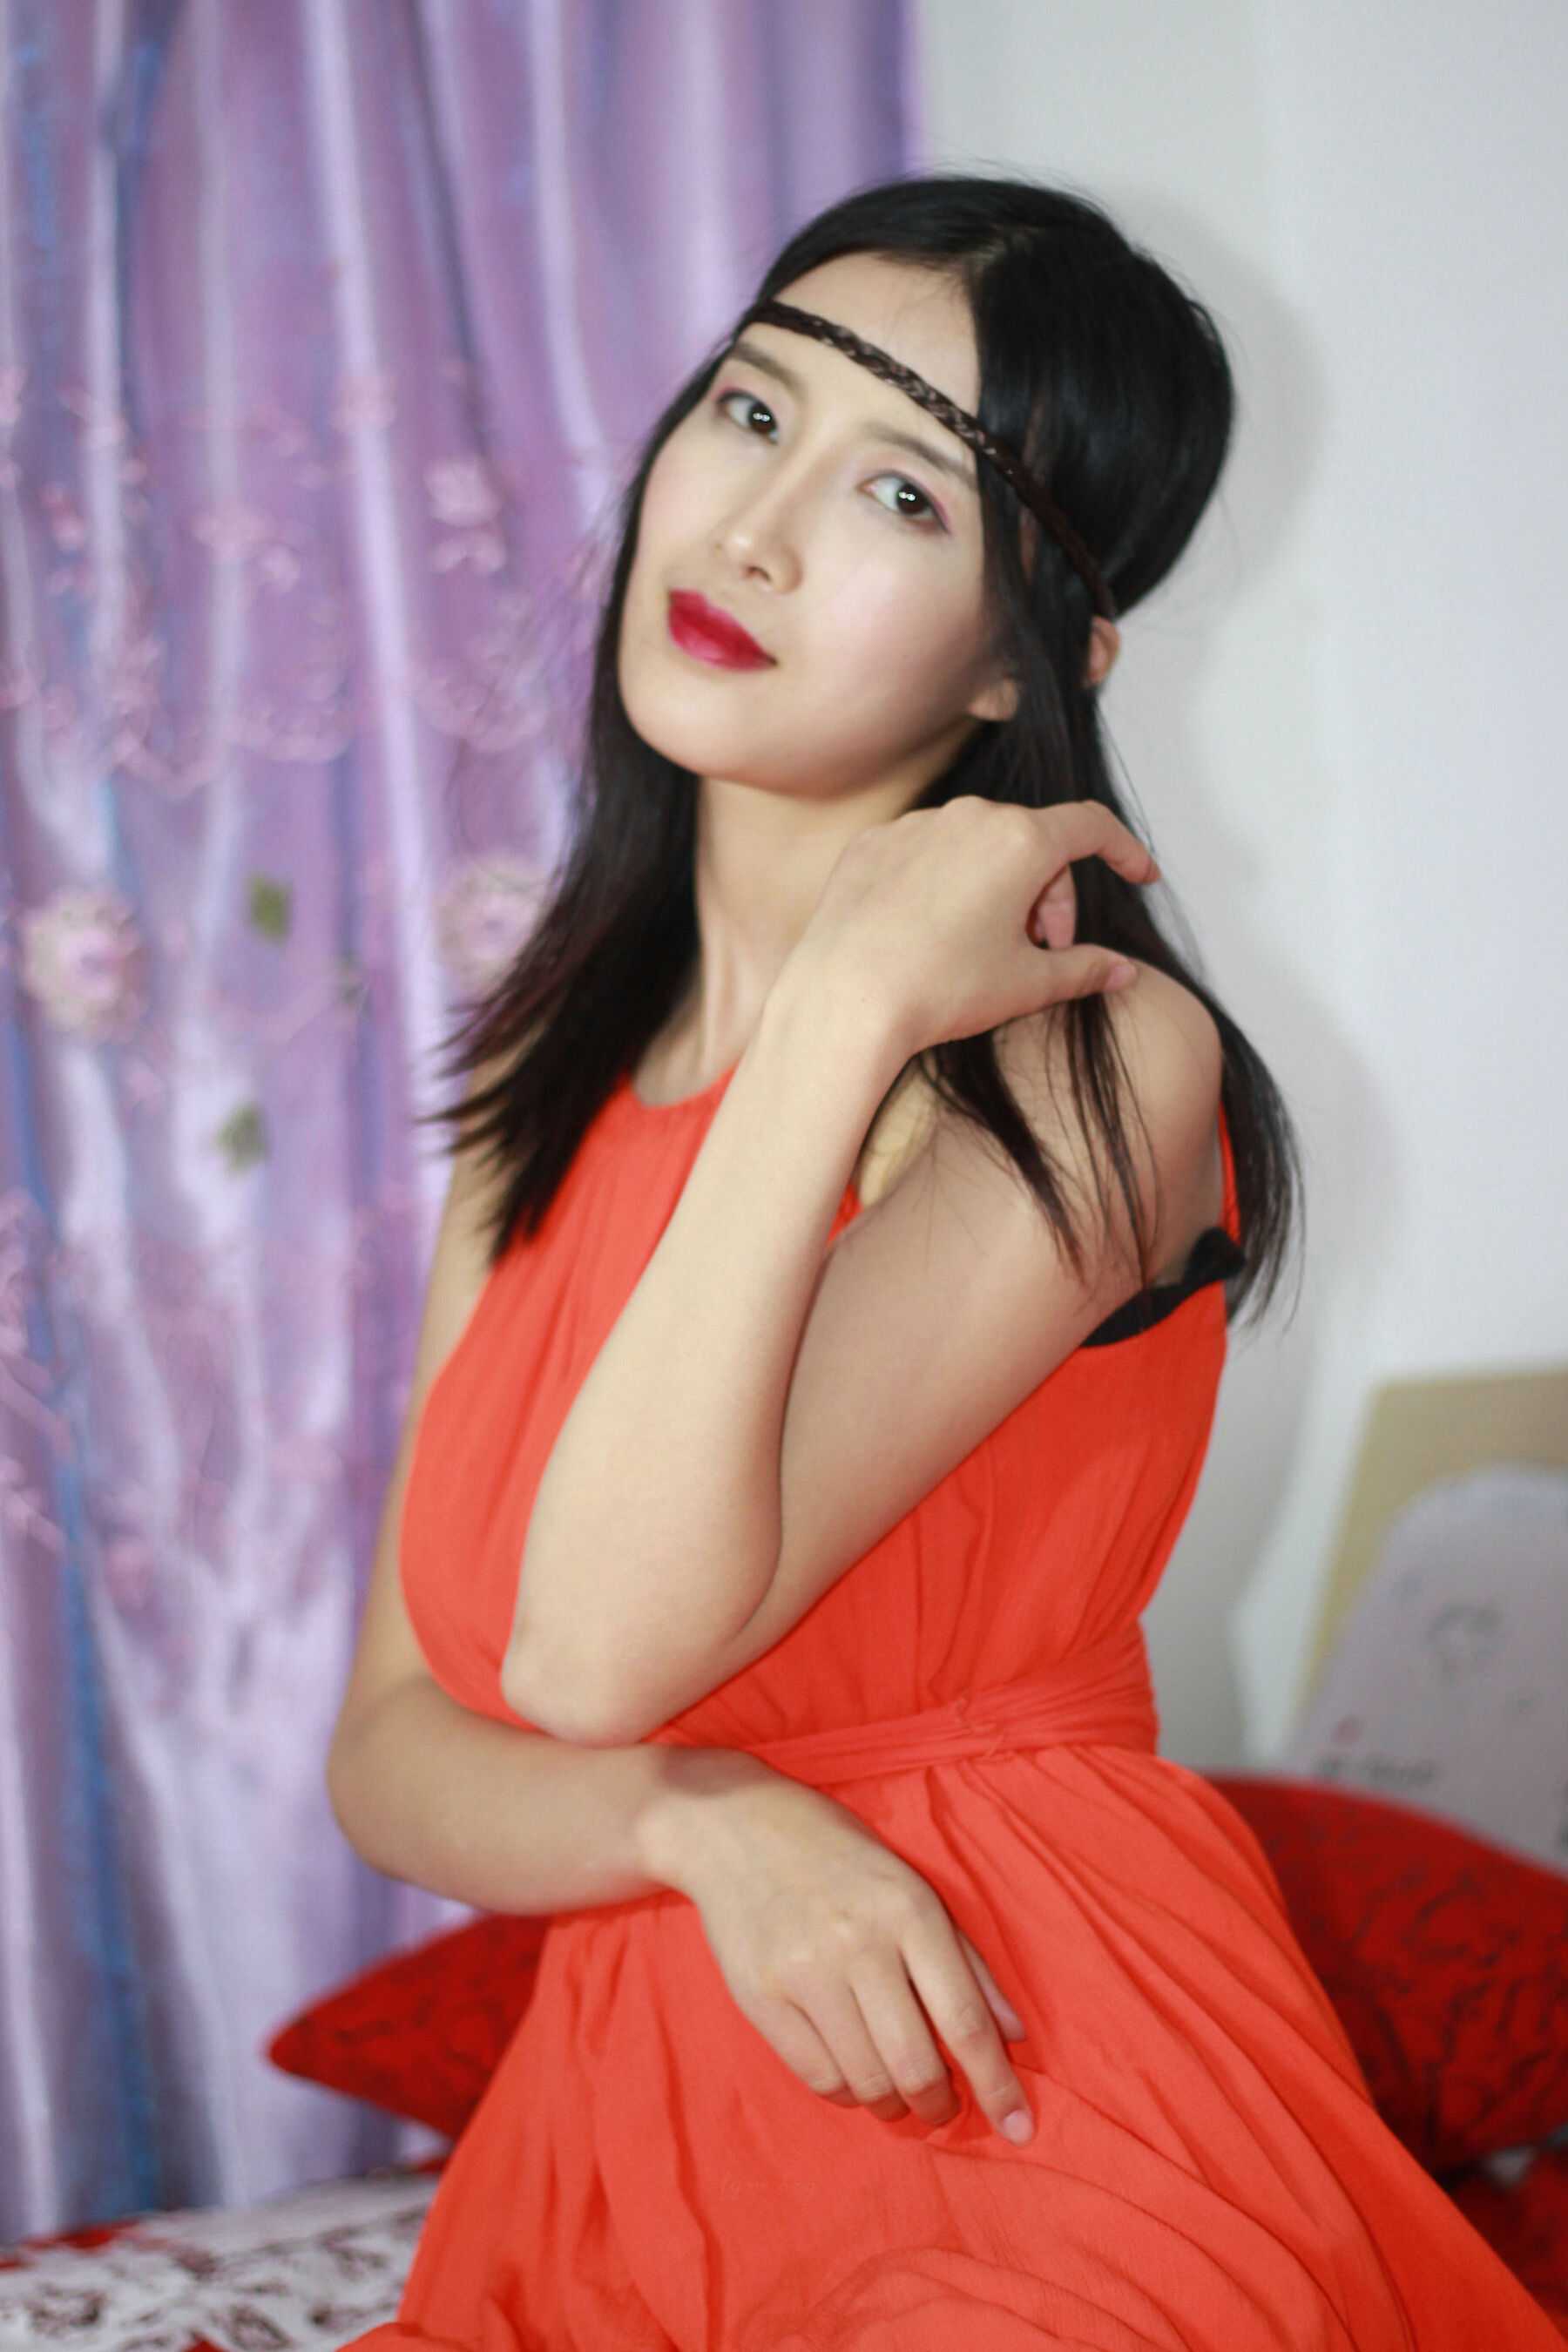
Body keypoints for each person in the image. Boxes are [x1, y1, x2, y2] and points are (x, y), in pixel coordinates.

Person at [329, 172, 1560, 2349]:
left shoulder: (1109, 1062)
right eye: (749, 411)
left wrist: (829, 1018)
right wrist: (698, 1828)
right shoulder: (545, 1081)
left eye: (898, 489)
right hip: (619, 2148)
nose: (754, 530)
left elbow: (594, 1652)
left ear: (1027, 655)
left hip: (1024, 2103)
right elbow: (395, 1754)